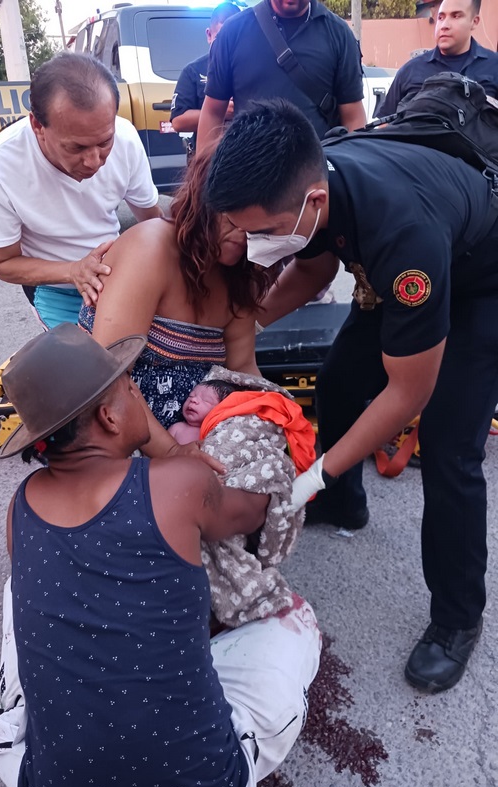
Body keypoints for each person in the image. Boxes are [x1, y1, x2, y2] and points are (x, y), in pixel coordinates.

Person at [205, 99, 498, 693]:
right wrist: (236, 327)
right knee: (338, 382)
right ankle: (345, 502)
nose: (250, 241)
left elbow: (405, 392)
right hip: (406, 266)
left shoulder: (403, 236)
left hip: (478, 283)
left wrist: (309, 476)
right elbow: (312, 270)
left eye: (259, 230)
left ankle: (456, 620)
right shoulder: (317, 175)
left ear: (311, 202)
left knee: (449, 448)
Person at [0, 322, 321, 787]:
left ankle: (14, 716)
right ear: (109, 417)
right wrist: (259, 452)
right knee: (296, 619)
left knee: (18, 588)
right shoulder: (174, 482)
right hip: (201, 786)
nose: (138, 394)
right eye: (130, 387)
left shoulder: (21, 506)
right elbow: (250, 510)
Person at [78, 149, 273, 442]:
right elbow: (111, 380)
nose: (244, 235)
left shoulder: (243, 274)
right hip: (115, 428)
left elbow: (242, 367)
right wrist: (171, 453)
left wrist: (273, 415)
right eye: (233, 220)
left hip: (194, 431)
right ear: (206, 203)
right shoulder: (149, 248)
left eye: (259, 227)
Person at [0, 51, 161, 329]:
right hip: (54, 287)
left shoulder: (126, 137)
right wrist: (74, 271)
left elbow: (152, 221)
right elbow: (5, 264)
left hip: (120, 276)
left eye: (104, 142)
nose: (94, 161)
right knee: (95, 366)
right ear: (38, 125)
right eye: (77, 147)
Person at [196, 0, 366, 152]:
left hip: (318, 177)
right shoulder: (233, 32)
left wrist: (354, 175)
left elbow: (353, 118)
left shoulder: (339, 33)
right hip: (250, 174)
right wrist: (204, 177)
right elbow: (212, 111)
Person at [378, 0, 498, 117]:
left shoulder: (494, 66)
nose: (444, 25)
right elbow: (385, 124)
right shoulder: (411, 70)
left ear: (474, 21)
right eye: (441, 17)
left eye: (455, 16)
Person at [170, 2, 240, 156]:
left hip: (247, 160)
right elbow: (178, 121)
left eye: (234, 38)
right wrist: (219, 111)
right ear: (209, 35)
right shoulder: (193, 71)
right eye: (221, 38)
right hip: (209, 159)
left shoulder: (253, 68)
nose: (227, 46)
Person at [169, 378, 239, 443]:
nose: (193, 400)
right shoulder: (177, 428)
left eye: (206, 400)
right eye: (191, 396)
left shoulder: (219, 432)